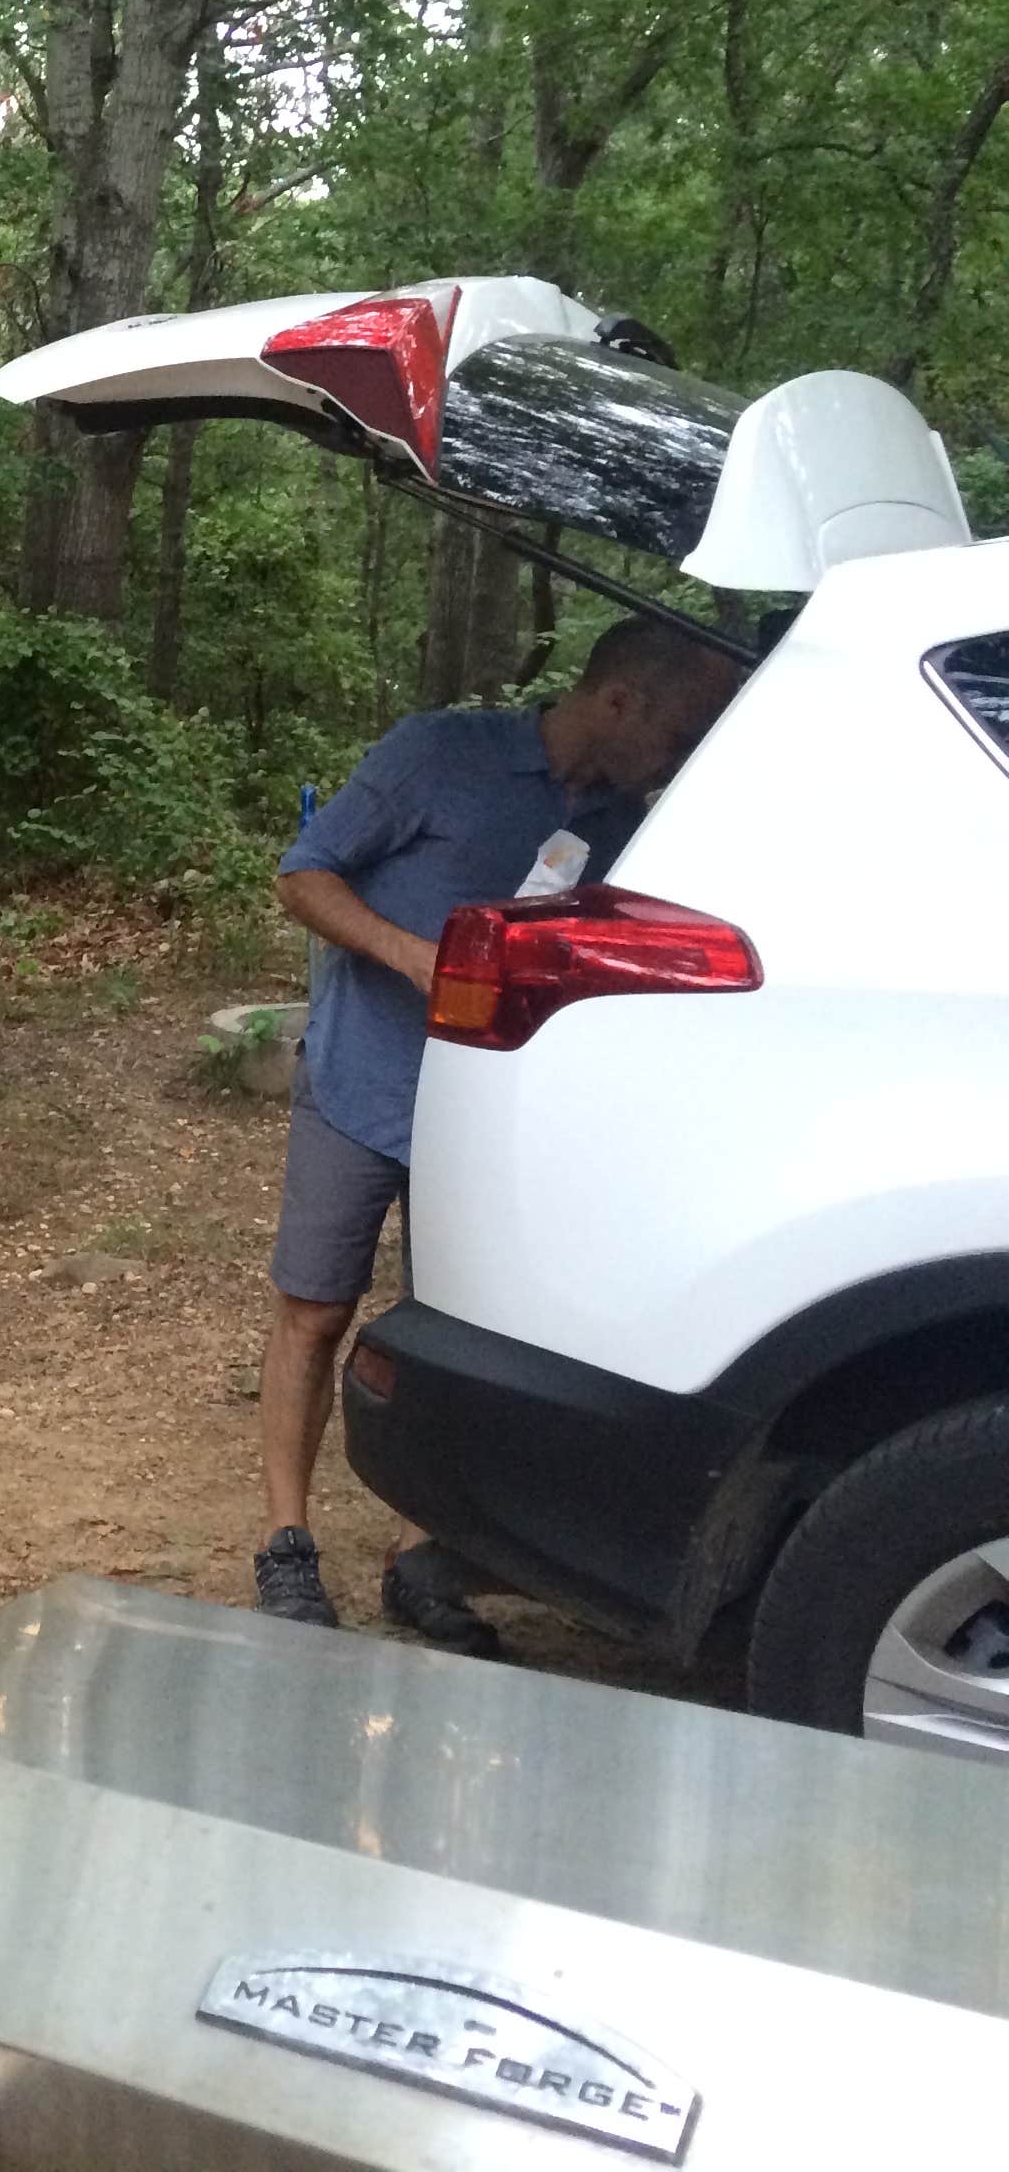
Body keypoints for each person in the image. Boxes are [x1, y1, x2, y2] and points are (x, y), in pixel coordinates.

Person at [252, 616, 744, 1651]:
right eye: (677, 732)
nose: (683, 757)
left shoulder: (630, 824)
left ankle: (420, 1560)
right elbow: (304, 875)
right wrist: (412, 955)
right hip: (363, 1085)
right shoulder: (439, 754)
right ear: (618, 701)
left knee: (453, 1338)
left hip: (493, 1121)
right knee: (316, 1311)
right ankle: (285, 1545)